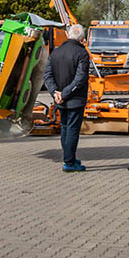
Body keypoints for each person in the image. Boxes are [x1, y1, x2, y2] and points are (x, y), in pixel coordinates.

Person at [44, 23, 91, 172]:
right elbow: (80, 78)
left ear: (68, 35)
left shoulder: (56, 52)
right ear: (82, 38)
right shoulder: (82, 53)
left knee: (65, 128)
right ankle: (69, 162)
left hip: (59, 99)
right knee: (72, 130)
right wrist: (64, 94)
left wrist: (55, 92)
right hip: (74, 99)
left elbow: (47, 75)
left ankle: (68, 158)